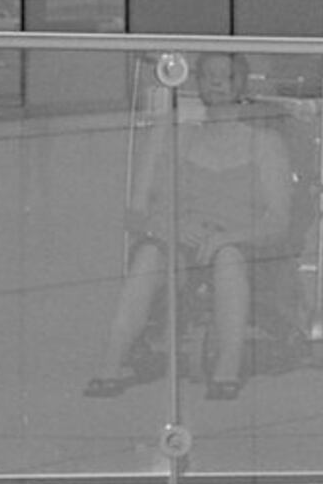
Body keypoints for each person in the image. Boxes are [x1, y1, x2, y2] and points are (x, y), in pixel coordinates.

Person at [84, 53, 301, 402]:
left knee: (228, 258)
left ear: (241, 84)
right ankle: (111, 362)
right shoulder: (175, 136)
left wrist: (228, 237)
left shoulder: (264, 143)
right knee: (150, 255)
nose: (215, 83)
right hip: (181, 245)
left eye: (225, 76)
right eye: (207, 76)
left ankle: (227, 368)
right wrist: (168, 227)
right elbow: (136, 213)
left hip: (241, 246)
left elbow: (278, 222)